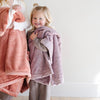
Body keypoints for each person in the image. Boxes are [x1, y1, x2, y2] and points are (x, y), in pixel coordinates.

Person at [27, 3, 64, 100]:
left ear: (46, 19)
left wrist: (35, 40)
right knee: (33, 91)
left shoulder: (48, 33)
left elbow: (45, 48)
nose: (37, 21)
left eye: (40, 19)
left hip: (45, 68)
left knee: (44, 92)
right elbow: (27, 48)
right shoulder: (30, 33)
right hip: (33, 67)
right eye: (34, 18)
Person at [0, 0, 31, 100]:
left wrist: (17, 26)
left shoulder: (21, 3)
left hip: (18, 44)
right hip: (3, 43)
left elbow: (28, 22)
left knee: (15, 67)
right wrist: (10, 12)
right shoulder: (1, 4)